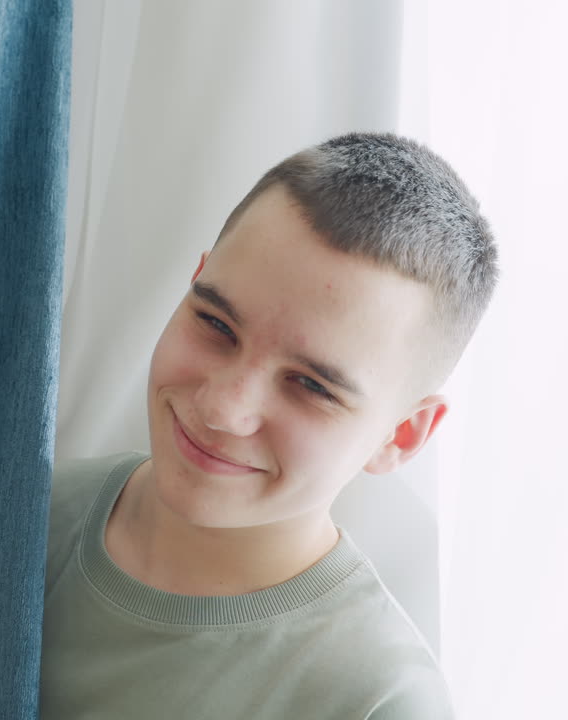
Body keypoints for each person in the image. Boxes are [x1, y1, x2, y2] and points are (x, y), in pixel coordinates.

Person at [40, 133, 498, 719]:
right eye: (215, 324)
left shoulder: (378, 701)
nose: (222, 409)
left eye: (311, 385)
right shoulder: (24, 519)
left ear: (401, 435)